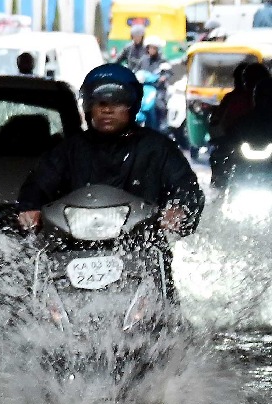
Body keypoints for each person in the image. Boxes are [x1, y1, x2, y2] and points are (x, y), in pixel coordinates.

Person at [16, 63, 205, 292]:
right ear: (88, 107)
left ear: (132, 106)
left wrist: (180, 210)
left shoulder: (158, 148)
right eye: (101, 103)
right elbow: (38, 184)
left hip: (141, 249)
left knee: (165, 311)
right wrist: (30, 208)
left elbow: (186, 188)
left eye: (117, 102)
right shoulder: (69, 150)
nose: (107, 110)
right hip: (73, 249)